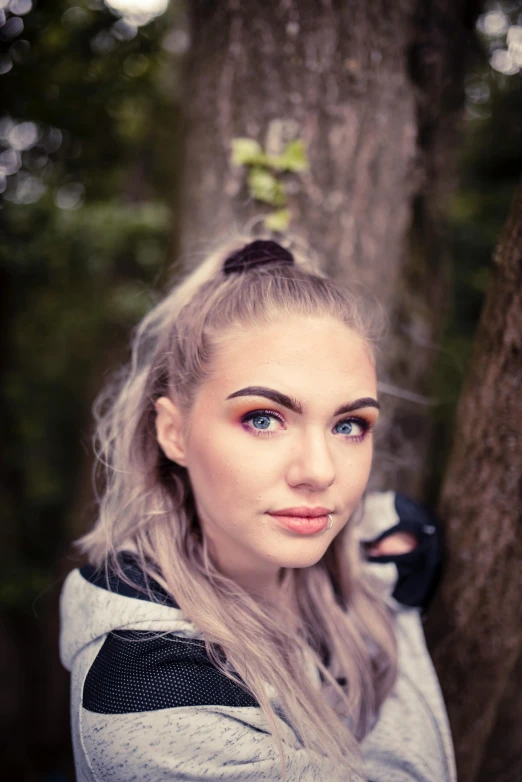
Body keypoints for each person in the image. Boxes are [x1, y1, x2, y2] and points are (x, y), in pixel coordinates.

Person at [59, 236, 456, 782]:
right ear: (173, 432)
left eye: (348, 425)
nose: (319, 471)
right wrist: (396, 608)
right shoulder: (151, 692)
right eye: (263, 418)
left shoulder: (314, 563)